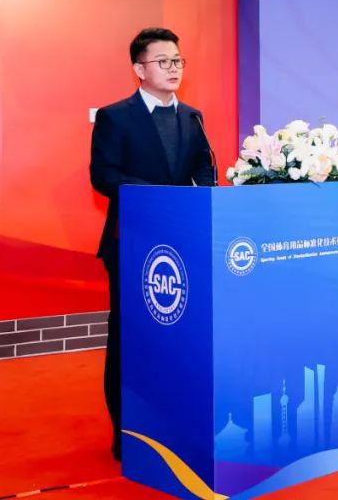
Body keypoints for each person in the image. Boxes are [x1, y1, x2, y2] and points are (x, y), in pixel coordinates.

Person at [89, 27, 216, 461]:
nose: (173, 68)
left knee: (177, 339)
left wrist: (205, 194)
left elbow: (203, 169)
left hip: (182, 247)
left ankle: (173, 422)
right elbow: (103, 175)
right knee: (129, 339)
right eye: (163, 61)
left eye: (177, 60)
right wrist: (158, 197)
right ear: (139, 69)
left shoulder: (193, 117)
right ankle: (125, 431)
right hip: (133, 246)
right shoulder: (115, 117)